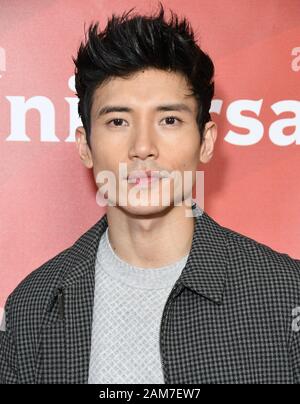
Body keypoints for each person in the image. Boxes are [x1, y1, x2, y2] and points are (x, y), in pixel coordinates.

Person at [0, 3, 299, 384]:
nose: (143, 146)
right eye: (118, 121)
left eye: (169, 120)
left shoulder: (286, 294)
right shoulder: (31, 309)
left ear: (205, 141)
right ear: (85, 146)